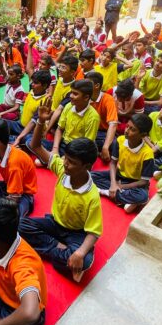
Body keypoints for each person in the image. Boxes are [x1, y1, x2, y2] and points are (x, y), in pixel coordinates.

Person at [21, 102, 102, 282]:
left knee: (85, 260)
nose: (65, 163)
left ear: (87, 166)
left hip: (76, 233)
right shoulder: (61, 169)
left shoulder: (91, 195)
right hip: (55, 223)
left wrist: (80, 252)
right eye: (66, 159)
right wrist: (41, 122)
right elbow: (35, 147)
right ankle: (58, 250)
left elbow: (94, 232)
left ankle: (59, 252)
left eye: (72, 162)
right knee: (19, 225)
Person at [91, 113, 155, 213]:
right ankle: (123, 198)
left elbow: (144, 181)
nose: (126, 131)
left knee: (142, 196)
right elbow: (112, 163)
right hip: (119, 176)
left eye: (132, 129)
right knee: (90, 176)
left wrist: (120, 186)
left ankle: (105, 192)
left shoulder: (148, 154)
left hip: (135, 183)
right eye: (127, 126)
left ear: (143, 135)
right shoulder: (120, 140)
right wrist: (113, 184)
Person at [0, 120, 37, 218]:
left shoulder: (15, 162)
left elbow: (14, 199)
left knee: (11, 217)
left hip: (23, 194)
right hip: (8, 186)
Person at [32, 79, 100, 158]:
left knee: (39, 159)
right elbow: (60, 129)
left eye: (75, 94)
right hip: (63, 144)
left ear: (86, 97)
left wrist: (67, 157)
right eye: (71, 92)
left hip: (77, 151)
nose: (71, 96)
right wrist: (55, 149)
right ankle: (53, 160)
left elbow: (87, 145)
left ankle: (54, 160)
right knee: (30, 141)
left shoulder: (93, 117)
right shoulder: (68, 106)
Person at [86, 71, 119, 162]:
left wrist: (105, 146)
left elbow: (113, 124)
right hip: (86, 130)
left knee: (116, 145)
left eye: (88, 84)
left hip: (103, 133)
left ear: (96, 86)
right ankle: (96, 152)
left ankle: (98, 151)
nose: (84, 86)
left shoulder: (108, 99)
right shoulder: (83, 97)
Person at [11, 70, 51, 144]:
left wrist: (19, 137)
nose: (32, 84)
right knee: (2, 124)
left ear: (45, 86)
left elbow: (33, 122)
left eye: (35, 83)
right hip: (20, 124)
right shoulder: (32, 92)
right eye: (32, 82)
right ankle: (14, 138)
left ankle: (16, 138)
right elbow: (28, 68)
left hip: (31, 132)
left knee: (28, 142)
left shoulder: (45, 101)